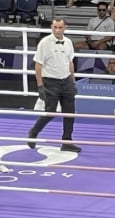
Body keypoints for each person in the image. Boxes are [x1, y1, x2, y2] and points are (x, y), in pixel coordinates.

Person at [27, 17, 81, 153]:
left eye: (60, 27)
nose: (57, 30)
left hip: (66, 80)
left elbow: (70, 63)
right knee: (50, 112)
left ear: (65, 28)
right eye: (55, 27)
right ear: (51, 27)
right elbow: (38, 65)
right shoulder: (45, 43)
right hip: (50, 81)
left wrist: (73, 82)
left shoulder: (68, 42)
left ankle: (67, 141)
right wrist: (40, 86)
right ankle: (34, 132)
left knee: (70, 113)